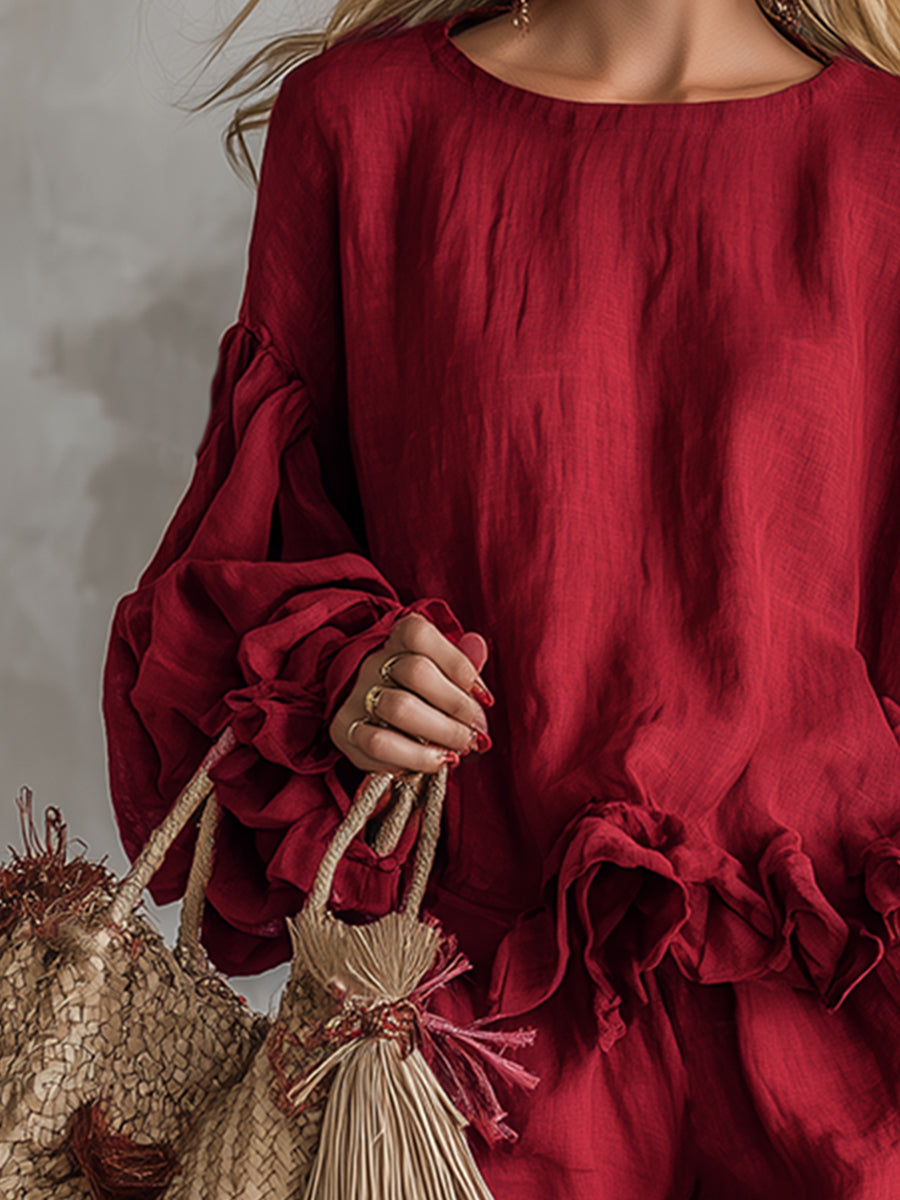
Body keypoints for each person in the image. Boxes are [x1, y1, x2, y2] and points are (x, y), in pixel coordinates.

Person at [101, 0, 900, 1193]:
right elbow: (242, 570)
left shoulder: (884, 152)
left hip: (831, 1039)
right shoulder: (363, 127)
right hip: (467, 1058)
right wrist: (347, 678)